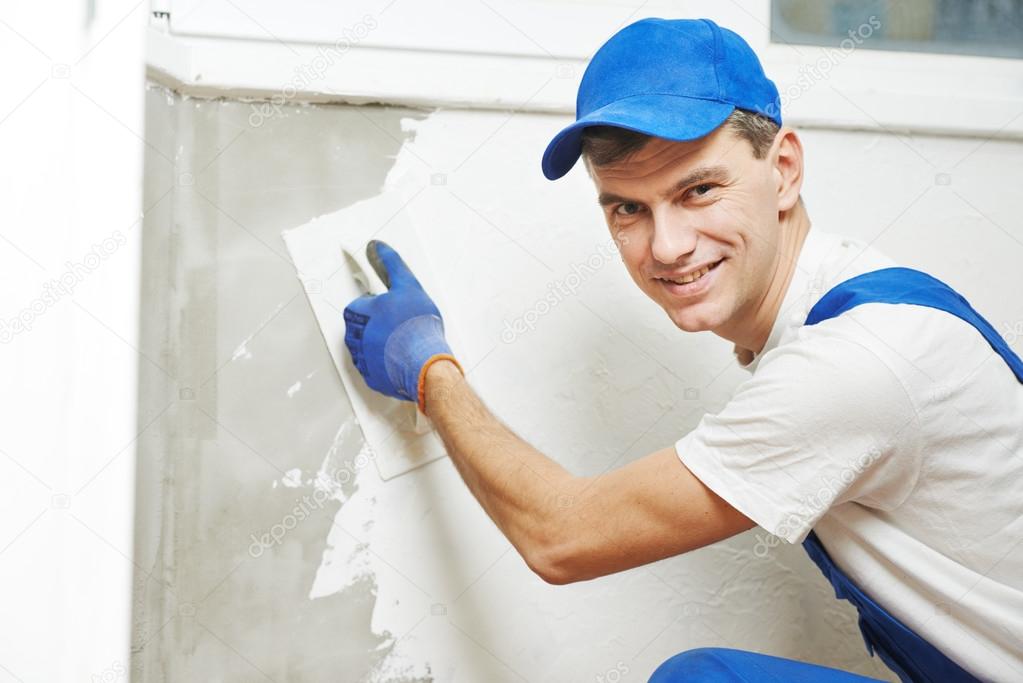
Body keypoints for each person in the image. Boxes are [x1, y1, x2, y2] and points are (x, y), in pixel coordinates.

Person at [342, 17, 1022, 682]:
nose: (664, 246)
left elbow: (560, 535)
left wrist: (428, 365)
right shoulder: (848, 303)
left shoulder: (857, 363)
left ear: (782, 169)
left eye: (697, 190)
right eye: (626, 209)